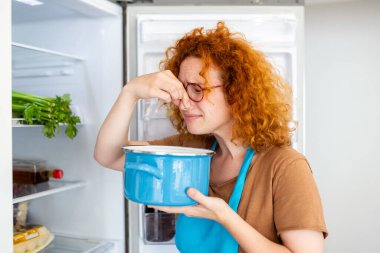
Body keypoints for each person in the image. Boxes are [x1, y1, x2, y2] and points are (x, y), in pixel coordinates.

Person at [94, 22, 328, 253]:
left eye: (197, 89)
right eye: (183, 89)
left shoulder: (286, 167)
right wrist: (130, 93)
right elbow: (110, 156)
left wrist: (226, 217)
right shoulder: (191, 149)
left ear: (237, 92)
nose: (183, 101)